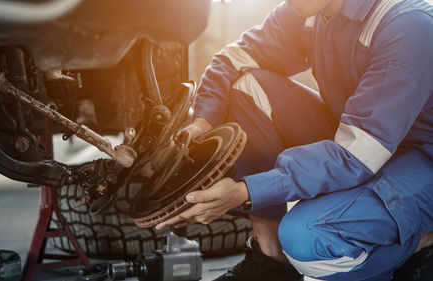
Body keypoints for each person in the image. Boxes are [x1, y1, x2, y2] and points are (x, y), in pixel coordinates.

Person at [155, 0, 433, 280]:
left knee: (307, 238)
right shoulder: (310, 11)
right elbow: (231, 60)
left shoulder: (408, 25)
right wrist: (202, 124)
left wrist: (246, 191)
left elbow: (356, 155)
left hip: (420, 161)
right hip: (362, 141)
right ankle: (271, 260)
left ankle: (418, 245)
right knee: (244, 86)